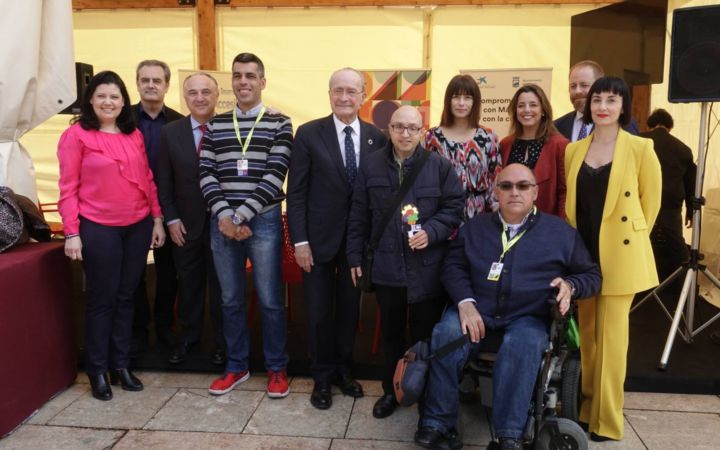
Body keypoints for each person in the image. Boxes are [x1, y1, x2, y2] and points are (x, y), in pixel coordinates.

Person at [416, 164, 602, 450]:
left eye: (523, 186)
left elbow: (591, 275)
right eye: (506, 186)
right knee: (446, 334)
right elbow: (452, 267)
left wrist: (571, 285)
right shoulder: (475, 227)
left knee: (524, 343)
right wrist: (465, 303)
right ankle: (437, 423)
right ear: (496, 192)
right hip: (476, 310)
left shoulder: (560, 233)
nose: (514, 192)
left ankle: (509, 433)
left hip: (527, 315)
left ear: (535, 192)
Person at [347, 105, 464, 419]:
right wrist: (355, 256)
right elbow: (359, 214)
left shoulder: (439, 166)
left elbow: (454, 209)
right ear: (389, 129)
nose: (405, 134)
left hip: (426, 268)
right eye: (399, 127)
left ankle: (425, 394)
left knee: (426, 335)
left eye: (412, 128)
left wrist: (431, 232)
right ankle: (392, 391)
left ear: (423, 130)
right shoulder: (370, 166)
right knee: (391, 334)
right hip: (387, 268)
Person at [57, 70, 166, 401]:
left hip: (137, 225)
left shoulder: (132, 135)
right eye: (102, 95)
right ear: (91, 99)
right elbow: (68, 187)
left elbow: (147, 178)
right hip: (98, 226)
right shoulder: (76, 135)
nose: (108, 102)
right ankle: (97, 369)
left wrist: (157, 219)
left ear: (123, 101)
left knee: (126, 296)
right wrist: (71, 232)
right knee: (102, 299)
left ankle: (120, 365)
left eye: (115, 97)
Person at [565, 76, 661, 441]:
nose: (603, 107)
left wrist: (627, 245)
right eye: (597, 100)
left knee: (612, 340)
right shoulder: (574, 151)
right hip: (584, 254)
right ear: (588, 106)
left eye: (611, 100)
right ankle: (587, 408)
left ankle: (607, 419)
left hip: (620, 253)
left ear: (624, 107)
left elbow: (649, 208)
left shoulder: (641, 148)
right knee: (587, 336)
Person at [286, 68, 388, 410]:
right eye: (338, 91)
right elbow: (296, 192)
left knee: (348, 310)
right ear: (329, 94)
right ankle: (322, 377)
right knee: (317, 312)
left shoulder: (377, 137)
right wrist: (299, 241)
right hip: (316, 244)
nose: (344, 97)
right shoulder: (308, 133)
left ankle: (344, 371)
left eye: (351, 91)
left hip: (357, 246)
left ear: (363, 96)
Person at [199, 52, 293, 399]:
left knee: (270, 299)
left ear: (263, 82)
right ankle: (236, 367)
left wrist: (240, 216)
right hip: (221, 222)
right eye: (238, 76)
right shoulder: (215, 125)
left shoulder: (281, 124)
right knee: (230, 299)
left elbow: (275, 175)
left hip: (263, 219)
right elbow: (206, 173)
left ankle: (277, 368)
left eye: (251, 76)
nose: (243, 82)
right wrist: (225, 215)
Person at [156, 72, 225, 367]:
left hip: (223, 224)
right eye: (193, 93)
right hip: (185, 225)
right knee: (189, 286)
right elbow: (163, 181)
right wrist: (170, 219)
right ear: (184, 97)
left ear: (216, 95)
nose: (199, 98)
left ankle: (224, 345)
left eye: (206, 92)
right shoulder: (170, 132)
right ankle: (189, 339)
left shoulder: (229, 127)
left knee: (224, 289)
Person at [131, 59, 184, 353]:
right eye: (145, 80)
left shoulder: (179, 122)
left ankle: (164, 327)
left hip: (167, 208)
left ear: (166, 85)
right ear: (137, 83)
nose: (150, 85)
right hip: (131, 209)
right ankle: (138, 330)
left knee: (168, 274)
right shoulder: (122, 120)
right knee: (134, 273)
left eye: (156, 80)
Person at [424, 74, 502, 220]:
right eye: (456, 97)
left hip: (480, 216)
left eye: (467, 97)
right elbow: (425, 180)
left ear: (475, 101)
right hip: (441, 215)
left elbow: (495, 180)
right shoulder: (431, 137)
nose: (461, 103)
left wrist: (496, 216)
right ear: (448, 100)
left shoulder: (488, 137)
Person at [640, 108, 696, 284]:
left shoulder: (639, 141)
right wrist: (690, 210)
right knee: (677, 243)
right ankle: (685, 283)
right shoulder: (683, 149)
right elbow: (690, 182)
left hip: (641, 202)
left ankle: (639, 283)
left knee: (637, 241)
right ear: (670, 127)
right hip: (670, 203)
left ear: (650, 125)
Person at [500, 84, 568, 217]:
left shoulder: (560, 145)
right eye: (521, 106)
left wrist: (560, 227)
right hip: (510, 222)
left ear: (543, 110)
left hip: (546, 224)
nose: (527, 110)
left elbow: (564, 192)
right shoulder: (505, 145)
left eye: (533, 105)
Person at [554, 60, 639, 142]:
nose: (577, 91)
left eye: (584, 85)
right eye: (573, 86)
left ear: (599, 86)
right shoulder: (557, 126)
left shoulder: (622, 123)